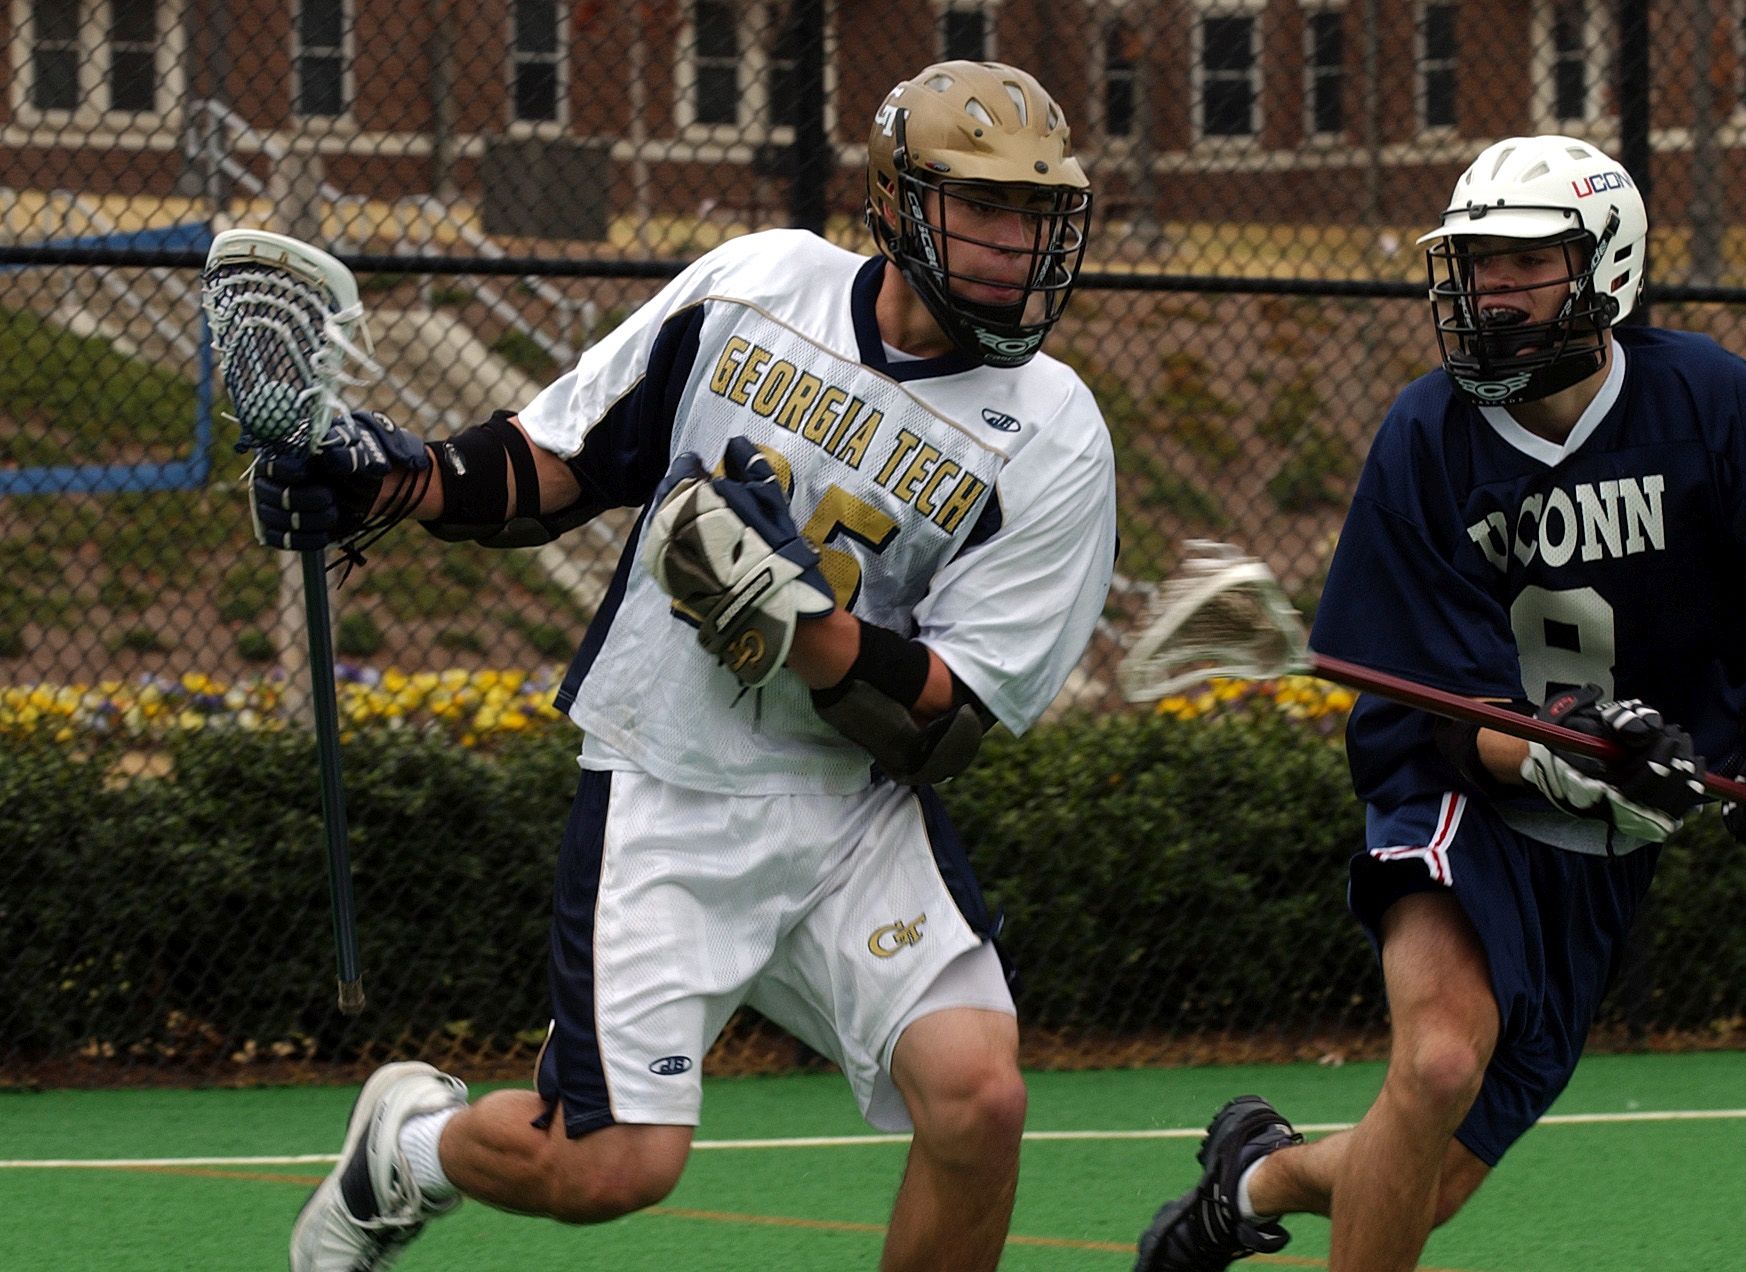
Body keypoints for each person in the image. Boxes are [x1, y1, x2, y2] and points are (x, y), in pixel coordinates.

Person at [262, 60, 1115, 1272]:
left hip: (850, 812)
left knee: (980, 1102)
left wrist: (796, 622)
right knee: (608, 1168)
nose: (1013, 245)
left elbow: (951, 719)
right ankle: (410, 1151)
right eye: (982, 206)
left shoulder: (1056, 432)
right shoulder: (757, 285)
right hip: (669, 780)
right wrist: (393, 480)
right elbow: (560, 462)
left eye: (1035, 213)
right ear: (894, 202)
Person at [1133, 134, 1746, 1272]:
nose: (1491, 290)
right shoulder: (1426, 437)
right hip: (1459, 790)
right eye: (1477, 264)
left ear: (1606, 265)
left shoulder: (1705, 398)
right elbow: (1438, 709)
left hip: (1606, 836)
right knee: (1437, 1063)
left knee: (1424, 1188)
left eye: (1525, 263)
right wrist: (1553, 753)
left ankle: (1254, 1179)